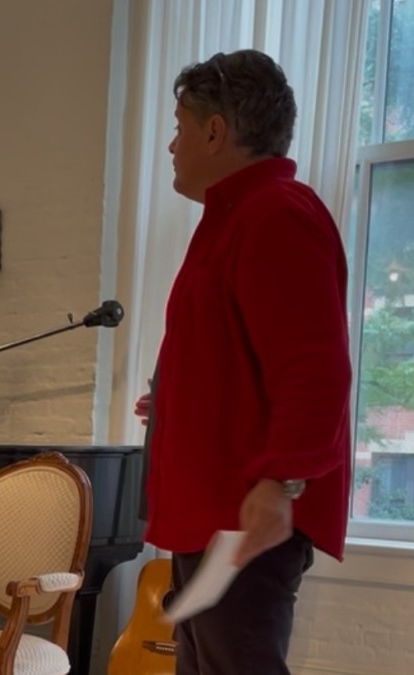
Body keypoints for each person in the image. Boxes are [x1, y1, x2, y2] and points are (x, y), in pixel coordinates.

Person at [135, 50, 352, 675]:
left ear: (215, 131)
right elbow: (244, 357)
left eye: (179, 127)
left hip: (241, 514)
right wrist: (177, 400)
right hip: (214, 511)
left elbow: (315, 371)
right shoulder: (235, 216)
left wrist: (280, 482)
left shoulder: (275, 213)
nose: (171, 145)